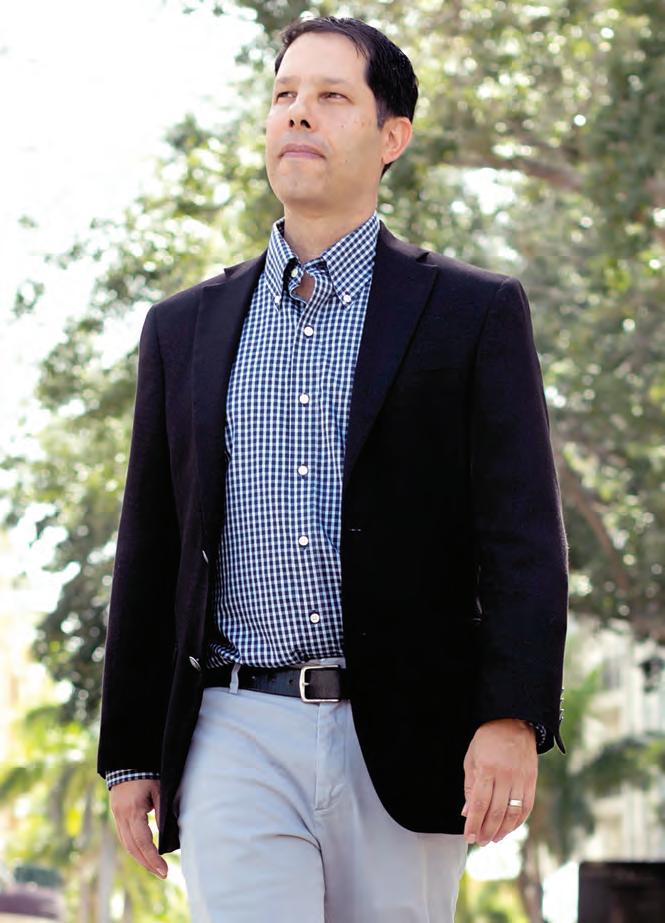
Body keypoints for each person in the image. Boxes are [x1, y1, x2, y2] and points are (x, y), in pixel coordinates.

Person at [97, 15, 568, 922]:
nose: (298, 114)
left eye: (330, 96)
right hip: (234, 727)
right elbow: (150, 543)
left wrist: (511, 716)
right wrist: (130, 753)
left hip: (409, 734)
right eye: (283, 95)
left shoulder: (471, 312)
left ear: (393, 136)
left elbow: (520, 535)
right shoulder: (182, 327)